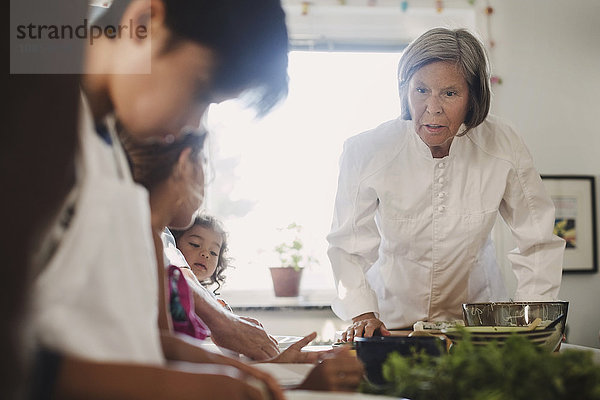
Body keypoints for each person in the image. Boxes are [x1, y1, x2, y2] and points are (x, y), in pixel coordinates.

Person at [29, 0, 291, 398]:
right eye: (199, 92)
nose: (192, 125)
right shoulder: (32, 108)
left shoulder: (106, 147)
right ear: (143, 21)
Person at [327, 27, 566, 342]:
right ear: (404, 90)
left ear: (473, 97)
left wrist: (536, 321)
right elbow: (348, 246)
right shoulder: (366, 150)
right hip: (390, 321)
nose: (433, 108)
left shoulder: (503, 143)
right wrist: (361, 312)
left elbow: (537, 241)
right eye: (421, 90)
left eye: (450, 93)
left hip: (478, 323)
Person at [120, 125, 364, 390]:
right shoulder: (138, 248)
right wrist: (286, 385)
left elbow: (168, 350)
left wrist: (269, 368)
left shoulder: (155, 242)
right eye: (205, 167)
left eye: (214, 251)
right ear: (185, 165)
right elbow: (161, 367)